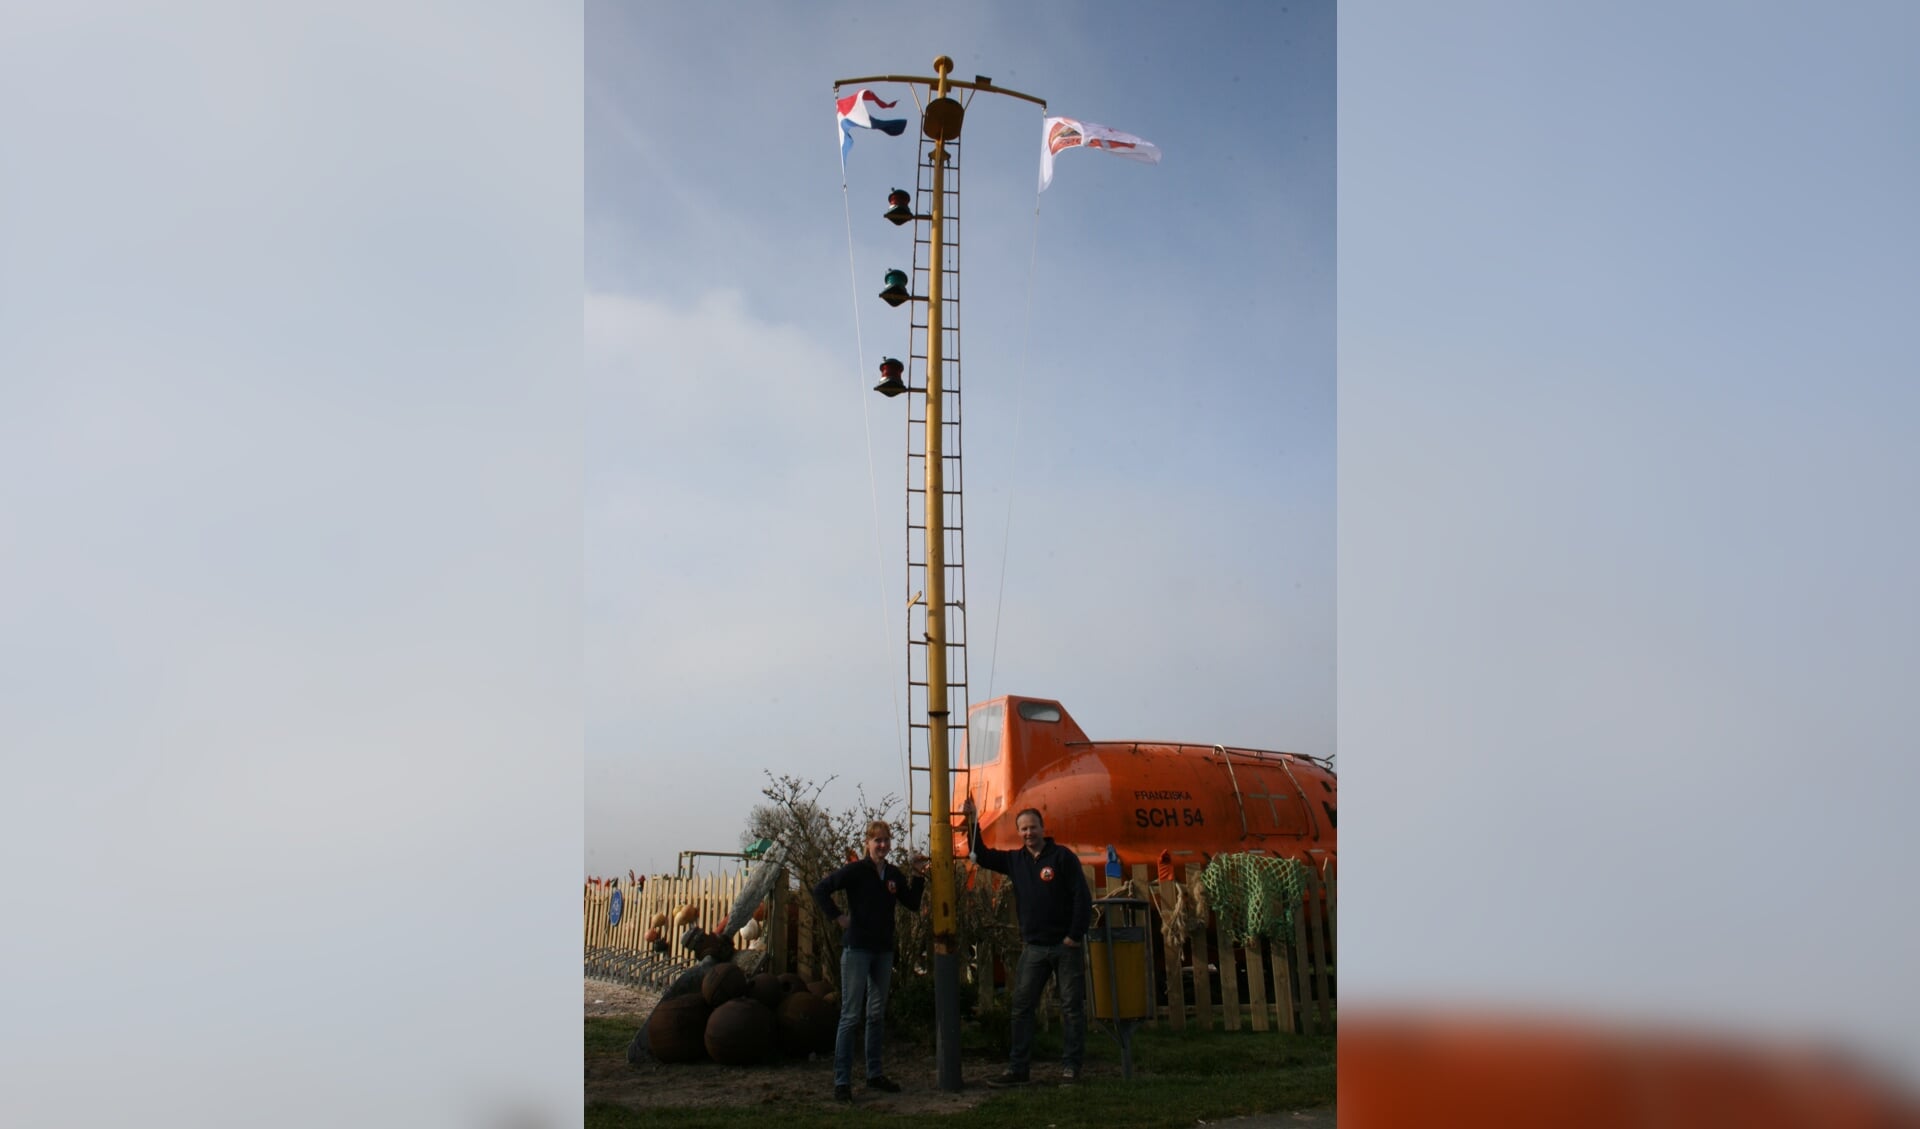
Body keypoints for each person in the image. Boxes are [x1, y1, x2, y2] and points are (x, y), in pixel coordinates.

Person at [965, 797, 1093, 1086]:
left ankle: (1071, 1067)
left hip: (1064, 946)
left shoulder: (1062, 858)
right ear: (1019, 832)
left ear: (1042, 828)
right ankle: (1018, 1068)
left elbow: (1081, 898)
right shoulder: (1016, 860)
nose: (1028, 833)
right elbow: (982, 855)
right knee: (1022, 1007)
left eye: (1032, 828)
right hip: (1034, 947)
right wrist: (972, 821)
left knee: (1072, 1007)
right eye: (1023, 829)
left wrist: (1074, 934)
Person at [812, 819, 925, 1102]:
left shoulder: (893, 875)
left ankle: (874, 1074)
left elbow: (911, 903)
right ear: (868, 843)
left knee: (876, 1014)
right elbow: (821, 889)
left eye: (886, 840)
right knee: (851, 1016)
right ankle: (842, 1081)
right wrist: (838, 917)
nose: (882, 845)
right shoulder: (855, 871)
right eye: (877, 840)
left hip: (883, 951)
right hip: (858, 949)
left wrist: (919, 876)